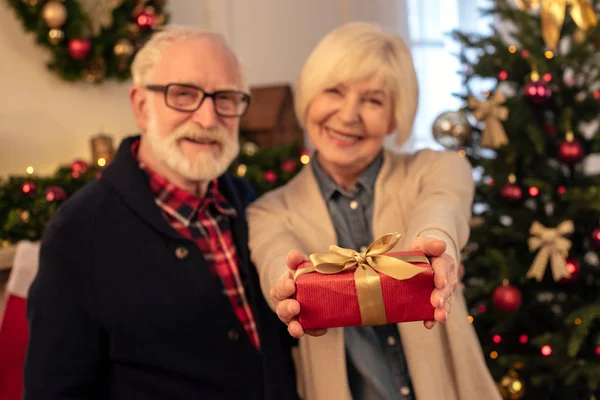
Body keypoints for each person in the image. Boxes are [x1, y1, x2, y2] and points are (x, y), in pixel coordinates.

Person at [24, 26, 298, 400]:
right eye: (183, 95)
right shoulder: (78, 231)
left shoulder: (249, 202)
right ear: (141, 106)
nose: (207, 119)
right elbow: (54, 389)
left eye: (226, 98)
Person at [247, 22, 500, 400]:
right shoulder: (269, 211)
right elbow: (275, 261)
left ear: (395, 116)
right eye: (334, 91)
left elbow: (440, 211)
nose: (349, 115)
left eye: (373, 100)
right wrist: (285, 290)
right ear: (310, 98)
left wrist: (437, 246)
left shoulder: (438, 169)